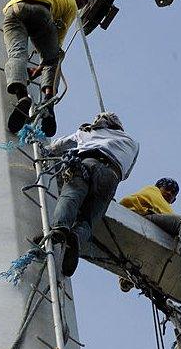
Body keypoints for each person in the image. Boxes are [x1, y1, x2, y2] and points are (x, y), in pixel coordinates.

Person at [40, 111, 138, 277]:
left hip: (86, 163)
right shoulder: (132, 143)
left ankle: (60, 228)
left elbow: (57, 147)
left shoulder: (87, 131)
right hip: (112, 176)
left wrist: (42, 150)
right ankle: (76, 237)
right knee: (89, 218)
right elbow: (126, 173)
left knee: (70, 196)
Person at [2, 0, 93, 137]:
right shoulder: (70, 2)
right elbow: (55, 47)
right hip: (40, 12)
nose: (82, 2)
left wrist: (38, 69)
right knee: (56, 58)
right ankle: (48, 102)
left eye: (85, 1)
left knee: (17, 54)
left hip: (14, 9)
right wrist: (45, 65)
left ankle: (22, 96)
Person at [119, 178, 181, 259]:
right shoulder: (153, 190)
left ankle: (126, 280)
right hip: (144, 214)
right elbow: (168, 215)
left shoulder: (162, 203)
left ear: (174, 199)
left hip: (144, 216)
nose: (169, 193)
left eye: (173, 193)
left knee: (129, 252)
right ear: (158, 187)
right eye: (167, 188)